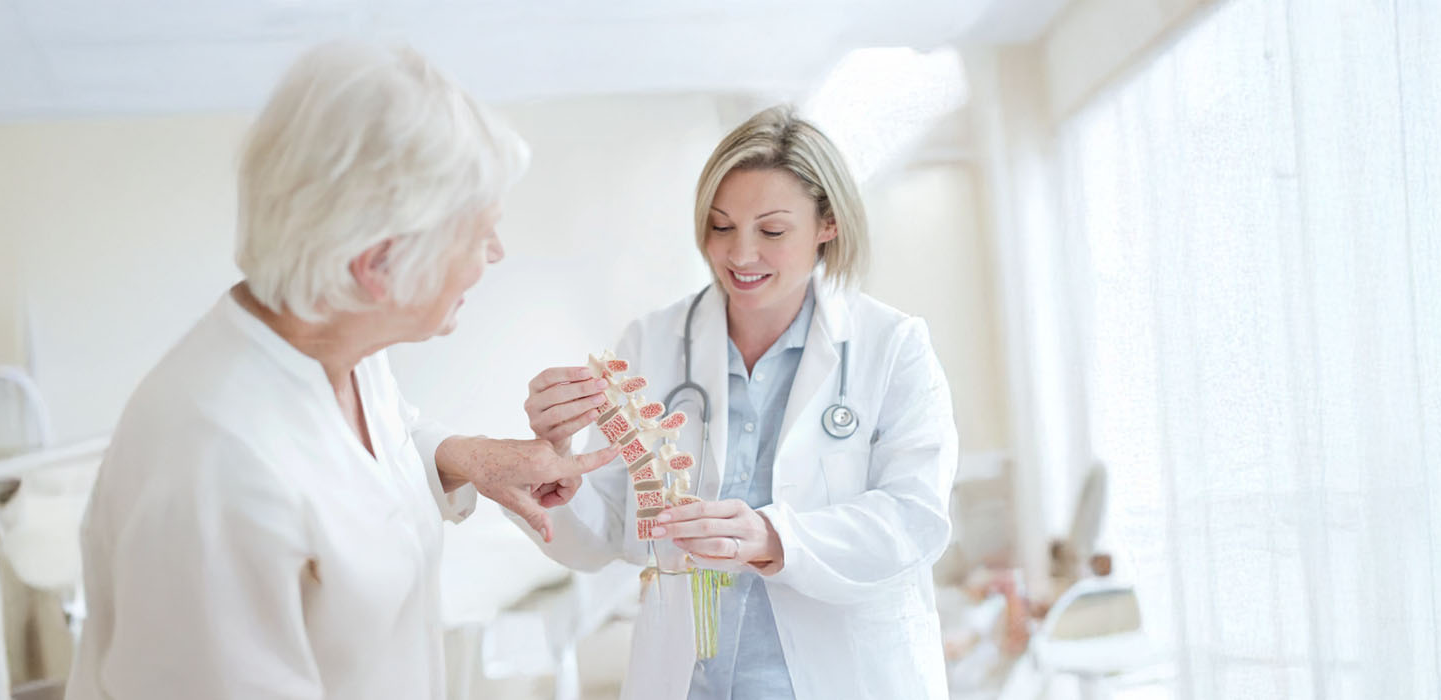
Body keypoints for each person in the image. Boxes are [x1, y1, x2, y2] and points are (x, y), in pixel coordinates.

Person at [64, 42, 615, 700]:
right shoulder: (217, 471)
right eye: (478, 235)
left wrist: (466, 458)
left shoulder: (330, 343)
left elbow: (372, 448)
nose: (492, 256)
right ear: (376, 266)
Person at [520, 105, 959, 699]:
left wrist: (776, 537)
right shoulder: (651, 342)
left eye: (772, 231)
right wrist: (558, 465)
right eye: (721, 226)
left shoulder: (891, 345)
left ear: (826, 224)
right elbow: (616, 529)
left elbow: (914, 519)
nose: (740, 254)